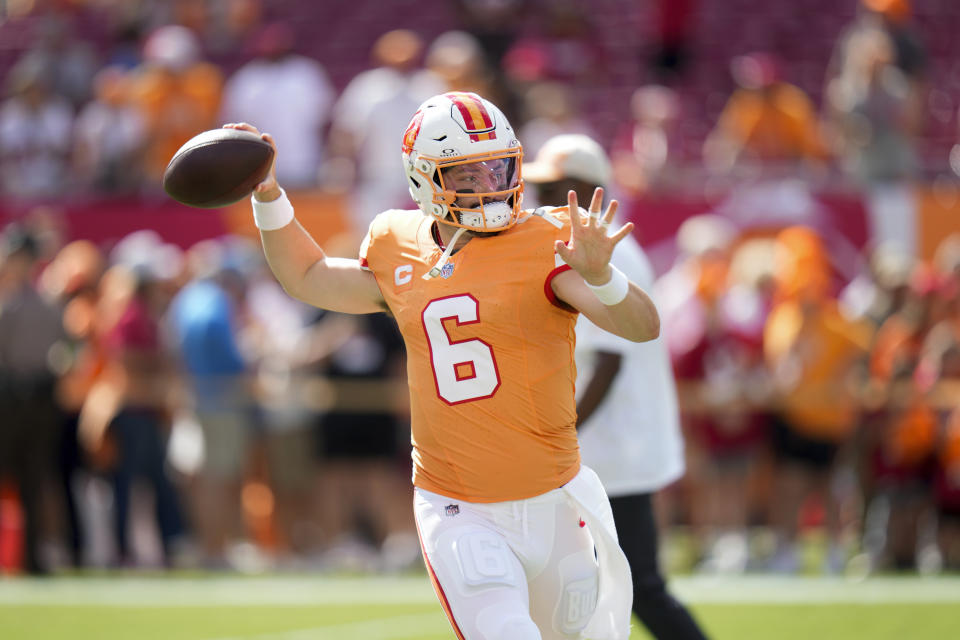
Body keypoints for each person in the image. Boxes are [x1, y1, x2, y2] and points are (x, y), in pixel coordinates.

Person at [227, 90, 660, 639]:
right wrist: (268, 194)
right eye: (468, 174)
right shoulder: (396, 241)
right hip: (459, 506)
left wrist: (604, 276)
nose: (491, 184)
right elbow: (309, 277)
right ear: (424, 179)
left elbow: (642, 327)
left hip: (553, 496)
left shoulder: (545, 239)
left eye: (497, 166)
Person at [524, 134, 709, 639]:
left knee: (636, 586)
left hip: (613, 449)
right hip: (610, 446)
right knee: (596, 588)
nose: (537, 197)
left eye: (551, 186)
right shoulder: (596, 249)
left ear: (582, 188)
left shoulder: (609, 255)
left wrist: (560, 435)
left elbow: (608, 364)